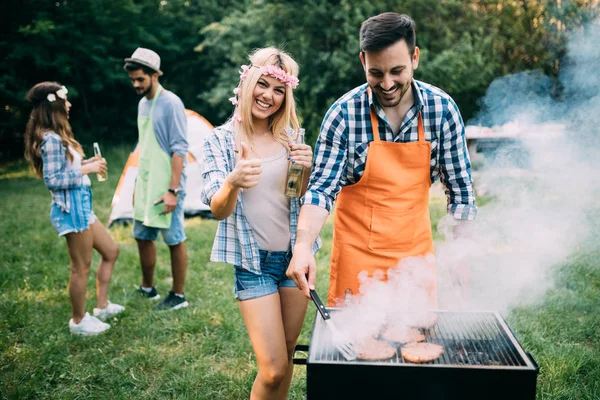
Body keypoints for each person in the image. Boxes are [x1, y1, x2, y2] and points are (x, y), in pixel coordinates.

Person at [287, 12, 477, 307]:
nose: (387, 84)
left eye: (397, 71)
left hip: (415, 260)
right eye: (376, 73)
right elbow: (321, 190)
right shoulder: (344, 115)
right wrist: (302, 245)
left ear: (415, 57)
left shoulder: (443, 111)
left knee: (416, 339)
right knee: (359, 347)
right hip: (357, 260)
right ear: (363, 61)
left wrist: (462, 256)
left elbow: (461, 195)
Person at [201, 47, 320, 400]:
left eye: (279, 90)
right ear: (247, 82)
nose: (269, 95)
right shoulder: (220, 141)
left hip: (294, 261)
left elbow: (299, 198)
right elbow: (218, 210)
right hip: (254, 265)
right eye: (263, 84)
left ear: (287, 96)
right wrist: (233, 181)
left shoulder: (290, 138)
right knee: (272, 368)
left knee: (284, 360)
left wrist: (308, 171)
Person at [24, 82, 124, 335]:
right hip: (70, 209)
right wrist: (85, 169)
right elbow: (53, 180)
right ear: (54, 105)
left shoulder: (59, 137)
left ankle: (102, 307)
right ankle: (79, 321)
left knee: (111, 250)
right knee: (81, 267)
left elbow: (65, 170)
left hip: (82, 206)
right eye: (65, 101)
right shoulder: (50, 140)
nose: (69, 105)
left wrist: (88, 163)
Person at [124, 48, 189, 311]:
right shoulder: (142, 104)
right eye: (133, 80)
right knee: (142, 236)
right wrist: (138, 184)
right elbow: (144, 147)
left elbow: (179, 149)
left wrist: (173, 190)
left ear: (154, 75)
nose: (136, 85)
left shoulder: (171, 102)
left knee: (174, 239)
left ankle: (178, 295)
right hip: (147, 182)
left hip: (168, 185)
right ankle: (148, 288)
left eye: (140, 79)